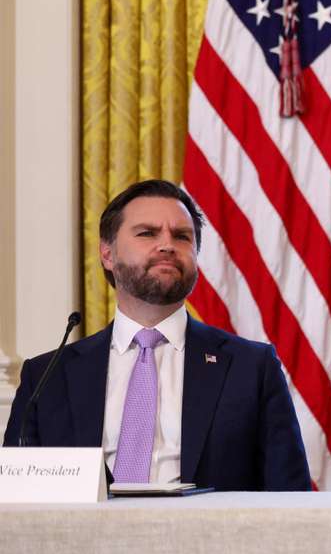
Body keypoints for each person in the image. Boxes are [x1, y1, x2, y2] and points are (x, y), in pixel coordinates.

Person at [3, 179, 311, 491]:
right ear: (107, 254)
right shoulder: (46, 377)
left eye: (182, 236)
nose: (167, 245)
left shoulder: (251, 368)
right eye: (147, 233)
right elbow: (17, 496)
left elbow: (289, 495)